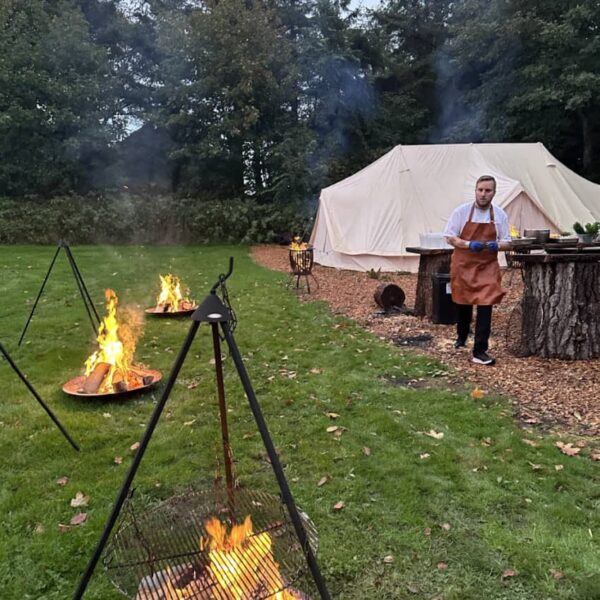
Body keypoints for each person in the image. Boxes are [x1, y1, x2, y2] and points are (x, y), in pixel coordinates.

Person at [444, 175, 512, 365]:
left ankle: (480, 350)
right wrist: (467, 244)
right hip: (464, 263)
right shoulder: (461, 212)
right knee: (464, 302)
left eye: (487, 190)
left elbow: (508, 242)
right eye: (480, 190)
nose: (483, 194)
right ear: (475, 190)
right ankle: (462, 334)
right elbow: (450, 237)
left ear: (494, 193)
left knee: (486, 303)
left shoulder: (499, 215)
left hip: (487, 266)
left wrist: (496, 245)